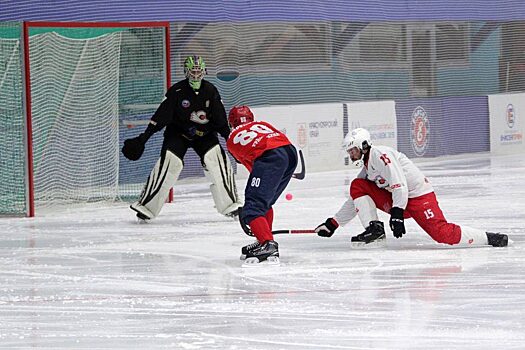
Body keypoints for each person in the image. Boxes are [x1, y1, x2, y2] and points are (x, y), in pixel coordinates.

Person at [314, 127, 509, 248]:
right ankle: (374, 229)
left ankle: (489, 238)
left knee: (442, 234)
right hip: (399, 201)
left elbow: (400, 184)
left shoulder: (380, 155)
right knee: (358, 185)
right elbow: (356, 197)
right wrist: (333, 224)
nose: (351, 155)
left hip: (418, 197)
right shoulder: (367, 167)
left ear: (363, 145)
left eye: (353, 150)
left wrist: (397, 212)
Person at [121, 55, 242, 221]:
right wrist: (144, 138)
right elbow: (161, 117)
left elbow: (220, 121)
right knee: (171, 161)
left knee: (216, 159)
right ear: (186, 72)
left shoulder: (211, 90)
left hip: (204, 135)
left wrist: (234, 145)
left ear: (204, 71)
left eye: (198, 71)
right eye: (192, 71)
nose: (195, 75)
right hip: (178, 134)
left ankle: (230, 204)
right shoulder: (177, 91)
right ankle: (146, 206)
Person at [226, 106, 298, 265]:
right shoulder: (263, 124)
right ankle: (264, 239)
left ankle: (267, 244)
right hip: (290, 153)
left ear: (231, 122)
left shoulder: (231, 140)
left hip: (270, 158)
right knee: (265, 202)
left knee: (253, 207)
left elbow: (253, 167)